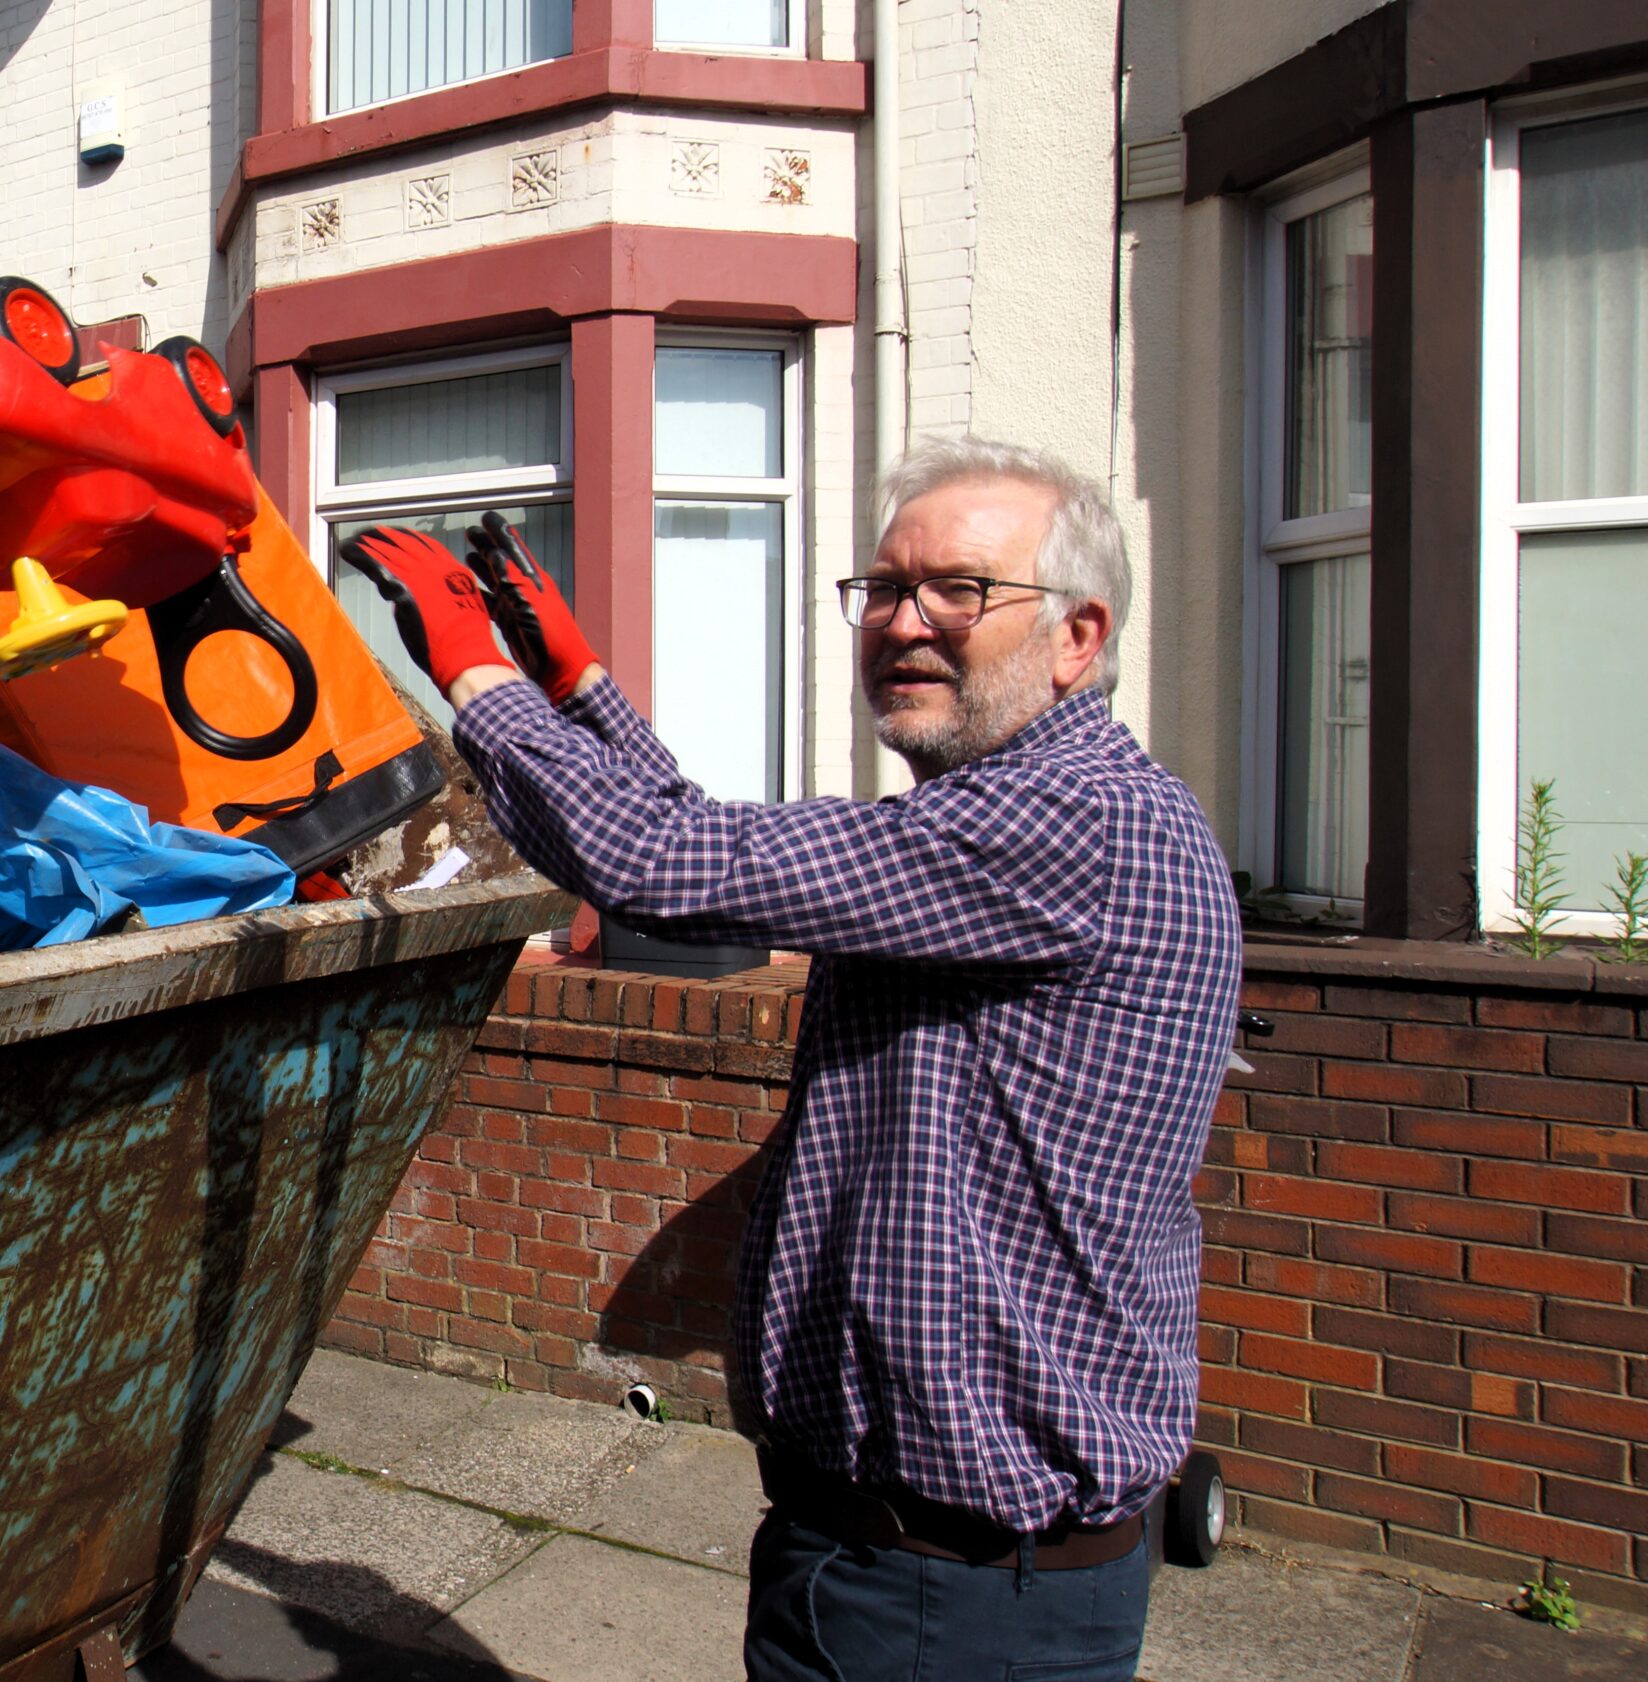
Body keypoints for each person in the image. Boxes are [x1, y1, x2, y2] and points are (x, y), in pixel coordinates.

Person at [340, 438, 1240, 1682]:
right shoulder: (994, 818)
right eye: (882, 588)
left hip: (956, 1600)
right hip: (908, 1565)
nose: (903, 621)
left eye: (958, 590)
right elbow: (712, 853)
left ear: (1077, 637)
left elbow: (667, 867)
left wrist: (481, 678)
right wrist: (580, 687)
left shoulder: (1063, 823)